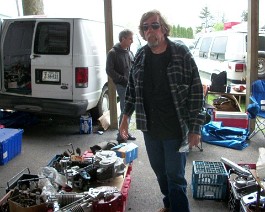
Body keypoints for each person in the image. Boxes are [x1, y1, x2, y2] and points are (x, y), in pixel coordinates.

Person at [119, 10, 205, 212]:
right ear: (142, 32)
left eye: (154, 25)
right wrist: (125, 118)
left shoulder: (181, 53)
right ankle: (170, 205)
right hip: (150, 128)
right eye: (145, 27)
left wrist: (195, 128)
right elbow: (131, 89)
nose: (150, 30)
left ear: (164, 29)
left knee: (175, 175)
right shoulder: (140, 55)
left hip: (176, 127)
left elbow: (195, 92)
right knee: (160, 172)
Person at [106, 29, 136, 143]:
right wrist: (122, 80)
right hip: (122, 85)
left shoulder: (129, 52)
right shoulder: (113, 53)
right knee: (125, 108)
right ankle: (121, 134)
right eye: (130, 38)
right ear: (123, 39)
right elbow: (109, 70)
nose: (132, 41)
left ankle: (125, 132)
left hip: (131, 85)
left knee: (130, 109)